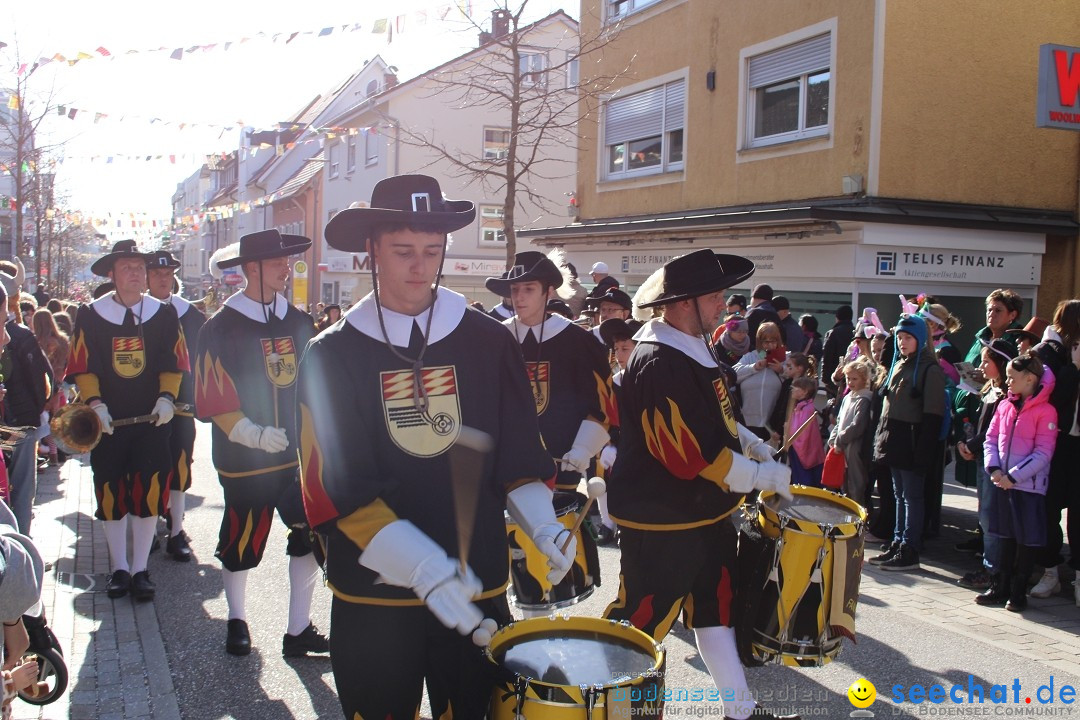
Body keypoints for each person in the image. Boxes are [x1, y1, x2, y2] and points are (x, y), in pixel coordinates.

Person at [297, 174, 568, 719]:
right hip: (374, 589)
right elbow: (333, 484)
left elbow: (517, 451)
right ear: (372, 249)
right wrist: (422, 566)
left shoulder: (489, 342)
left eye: (432, 250)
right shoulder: (331, 354)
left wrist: (543, 523)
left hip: (475, 583)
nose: (419, 267)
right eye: (403, 251)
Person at [604, 249, 797, 720]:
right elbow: (687, 454)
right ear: (683, 302)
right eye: (714, 296)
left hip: (704, 512)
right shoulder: (658, 360)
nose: (723, 305)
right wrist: (759, 477)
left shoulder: (691, 344)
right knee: (640, 624)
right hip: (663, 517)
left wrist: (750, 442)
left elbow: (716, 419)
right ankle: (608, 709)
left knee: (716, 611)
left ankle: (741, 711)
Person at [194, 229, 324, 657]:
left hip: (296, 458)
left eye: (286, 261)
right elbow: (214, 394)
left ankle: (298, 628)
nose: (286, 268)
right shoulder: (220, 328)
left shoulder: (301, 322)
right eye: (277, 262)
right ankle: (237, 620)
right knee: (241, 538)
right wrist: (252, 433)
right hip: (244, 459)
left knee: (307, 535)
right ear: (252, 269)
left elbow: (316, 386)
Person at [65, 240, 187, 601]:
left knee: (149, 493)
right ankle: (118, 568)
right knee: (110, 493)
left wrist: (167, 398)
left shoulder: (164, 314)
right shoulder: (90, 315)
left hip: (152, 423)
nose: (135, 273)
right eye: (126, 268)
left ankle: (140, 570)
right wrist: (96, 405)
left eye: (139, 267)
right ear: (112, 274)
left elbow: (174, 361)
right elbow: (83, 365)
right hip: (108, 424)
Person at [486, 250, 612, 493]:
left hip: (562, 467)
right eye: (515, 290)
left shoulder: (579, 342)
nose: (519, 297)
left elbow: (603, 404)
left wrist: (583, 448)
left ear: (549, 291)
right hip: (504, 468)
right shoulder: (495, 338)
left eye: (529, 289)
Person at [869, 313, 946, 572]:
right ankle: (898, 540)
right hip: (895, 439)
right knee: (899, 494)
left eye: (908, 338)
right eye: (900, 337)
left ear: (921, 340)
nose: (902, 342)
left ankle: (910, 548)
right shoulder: (899, 363)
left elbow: (933, 415)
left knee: (912, 496)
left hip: (913, 442)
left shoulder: (929, 369)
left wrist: (923, 453)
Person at [981, 352, 1057, 612]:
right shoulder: (1004, 406)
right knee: (1004, 536)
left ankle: (1018, 590)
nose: (1008, 381)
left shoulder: (1046, 411)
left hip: (1027, 486)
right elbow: (990, 438)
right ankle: (999, 585)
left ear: (1030, 379)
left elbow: (1043, 452)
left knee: (1025, 540)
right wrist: (994, 469)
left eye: (1013, 377)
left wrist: (1014, 476)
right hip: (1002, 482)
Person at [145, 250, 205, 562]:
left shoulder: (191, 315)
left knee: (181, 466)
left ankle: (177, 531)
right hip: (146, 405)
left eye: (167, 274)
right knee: (149, 466)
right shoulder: (136, 313)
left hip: (181, 405)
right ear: (147, 277)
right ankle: (150, 526)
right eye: (156, 274)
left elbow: (201, 360)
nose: (163, 278)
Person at [1029, 300, 1080, 603]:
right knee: (1049, 509)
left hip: (1077, 446)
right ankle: (1050, 572)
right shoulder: (1052, 357)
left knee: (1078, 513)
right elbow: (1054, 400)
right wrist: (1073, 369)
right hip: (1056, 444)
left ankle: (1077, 575)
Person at [955, 338, 1015, 592]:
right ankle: (990, 565)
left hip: (993, 462)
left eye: (987, 361)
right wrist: (965, 442)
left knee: (991, 518)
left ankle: (994, 570)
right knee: (985, 515)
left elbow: (993, 430)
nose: (981, 365)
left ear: (1000, 364)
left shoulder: (1005, 394)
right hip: (981, 457)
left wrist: (973, 445)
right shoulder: (989, 388)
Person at [594, 316, 642, 545]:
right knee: (602, 476)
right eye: (616, 349)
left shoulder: (648, 381)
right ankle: (607, 523)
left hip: (641, 447)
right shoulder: (613, 383)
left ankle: (628, 523)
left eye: (626, 349)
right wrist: (607, 444)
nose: (619, 355)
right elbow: (606, 418)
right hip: (617, 444)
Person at [829, 357, 875, 502]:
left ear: (864, 379)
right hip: (841, 446)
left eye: (855, 379)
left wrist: (840, 440)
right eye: (848, 378)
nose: (850, 382)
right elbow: (839, 421)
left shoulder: (865, 399)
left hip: (854, 447)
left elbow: (857, 425)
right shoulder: (848, 397)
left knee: (856, 482)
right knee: (843, 482)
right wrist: (833, 438)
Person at [30, 309, 69, 467]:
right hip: (59, 384)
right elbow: (67, 364)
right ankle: (55, 453)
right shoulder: (63, 341)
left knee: (42, 420)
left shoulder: (35, 342)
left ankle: (43, 452)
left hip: (43, 385)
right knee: (55, 420)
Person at [734, 321, 785, 442]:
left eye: (773, 341)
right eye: (765, 341)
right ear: (759, 342)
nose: (769, 345)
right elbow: (733, 374)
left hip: (773, 424)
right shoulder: (751, 356)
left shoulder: (785, 357)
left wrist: (781, 370)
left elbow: (796, 380)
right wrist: (754, 367)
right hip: (747, 420)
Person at [785, 376, 824, 487]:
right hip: (796, 447)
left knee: (804, 476)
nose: (792, 389)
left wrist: (791, 441)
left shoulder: (807, 409)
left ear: (804, 391)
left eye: (795, 387)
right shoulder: (800, 407)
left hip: (802, 449)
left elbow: (804, 432)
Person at [822, 305, 855, 398]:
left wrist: (825, 379)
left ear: (837, 317)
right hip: (852, 376)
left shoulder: (833, 333)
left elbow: (827, 357)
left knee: (834, 406)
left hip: (835, 376)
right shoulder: (856, 332)